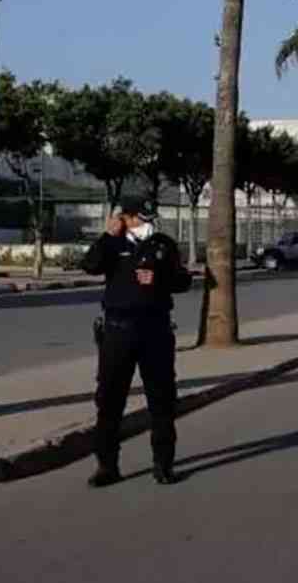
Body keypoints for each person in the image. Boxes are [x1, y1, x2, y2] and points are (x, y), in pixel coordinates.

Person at [81, 196, 192, 487]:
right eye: (141, 219)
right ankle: (107, 465)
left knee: (162, 400)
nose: (147, 224)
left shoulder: (163, 244)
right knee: (109, 400)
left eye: (150, 218)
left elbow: (183, 281)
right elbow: (89, 265)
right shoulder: (112, 245)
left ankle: (163, 464)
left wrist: (159, 279)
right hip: (118, 331)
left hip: (155, 330)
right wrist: (107, 234)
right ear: (125, 218)